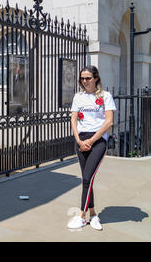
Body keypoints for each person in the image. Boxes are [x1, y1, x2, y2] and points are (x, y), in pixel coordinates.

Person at [67, 65, 116, 231]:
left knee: (87, 178)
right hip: (81, 140)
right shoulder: (78, 97)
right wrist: (79, 140)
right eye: (82, 78)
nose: (84, 81)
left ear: (96, 78)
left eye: (88, 78)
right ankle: (93, 214)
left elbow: (109, 121)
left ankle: (81, 216)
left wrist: (92, 140)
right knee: (88, 179)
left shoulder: (105, 96)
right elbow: (73, 120)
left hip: (98, 140)